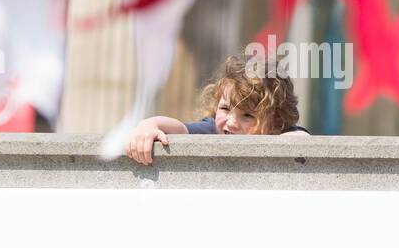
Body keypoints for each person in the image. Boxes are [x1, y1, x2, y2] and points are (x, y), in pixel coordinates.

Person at [126, 55, 310, 165]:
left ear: (276, 121)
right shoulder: (215, 129)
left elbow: (302, 140)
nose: (231, 122)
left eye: (247, 115)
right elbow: (180, 129)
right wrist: (150, 124)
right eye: (224, 108)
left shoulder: (282, 132)